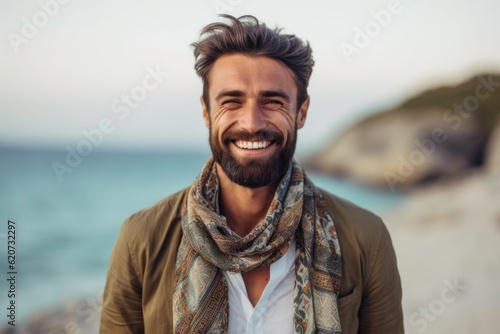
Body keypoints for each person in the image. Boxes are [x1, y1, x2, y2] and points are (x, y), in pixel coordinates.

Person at [100, 14, 404, 334]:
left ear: (301, 112)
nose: (251, 122)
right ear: (206, 112)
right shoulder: (141, 240)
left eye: (272, 101)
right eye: (232, 101)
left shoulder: (365, 237)